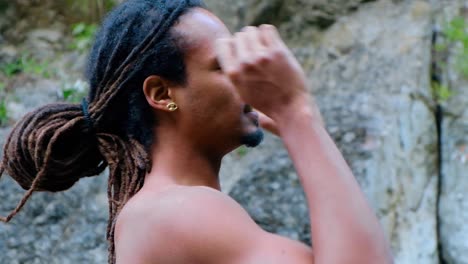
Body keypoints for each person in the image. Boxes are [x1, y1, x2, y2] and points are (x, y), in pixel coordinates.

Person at [0, 0, 393, 263]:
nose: (246, 76)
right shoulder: (176, 210)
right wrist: (298, 116)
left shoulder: (157, 212)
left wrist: (300, 124)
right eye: (224, 65)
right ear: (162, 93)